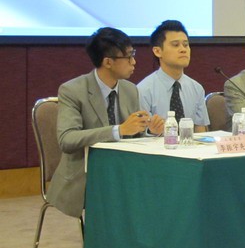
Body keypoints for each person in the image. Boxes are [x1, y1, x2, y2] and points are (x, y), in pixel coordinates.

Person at [47, 27, 164, 218]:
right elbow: (67, 139)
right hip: (87, 175)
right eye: (128, 56)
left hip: (124, 171)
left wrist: (150, 130)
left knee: (158, 193)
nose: (134, 62)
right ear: (108, 62)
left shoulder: (130, 90)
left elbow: (135, 135)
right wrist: (118, 130)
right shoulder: (72, 90)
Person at [137, 20, 209, 132]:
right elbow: (139, 134)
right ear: (157, 51)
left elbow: (200, 132)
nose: (183, 50)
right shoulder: (143, 90)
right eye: (175, 45)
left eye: (186, 45)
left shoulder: (196, 88)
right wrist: (153, 131)